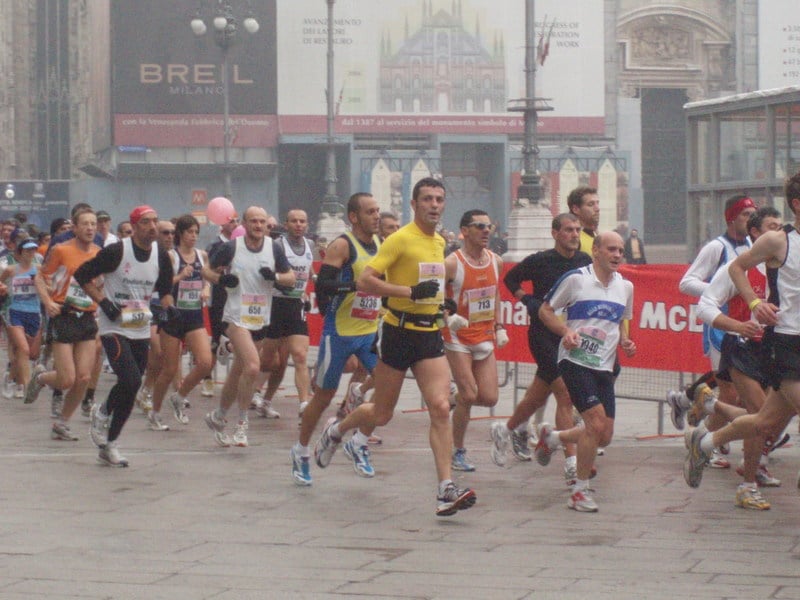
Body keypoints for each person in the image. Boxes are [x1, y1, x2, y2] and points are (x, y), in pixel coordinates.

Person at [314, 177, 477, 517]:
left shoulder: (439, 244)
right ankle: (338, 430)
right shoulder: (400, 239)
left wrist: (442, 306)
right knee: (382, 414)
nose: (434, 205)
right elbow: (364, 280)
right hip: (397, 332)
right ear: (414, 205)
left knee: (441, 406)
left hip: (428, 334)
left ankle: (445, 488)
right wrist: (406, 293)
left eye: (439, 199)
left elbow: (430, 284)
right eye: (428, 199)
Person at [684, 172, 800, 498]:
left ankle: (705, 441)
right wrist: (752, 304)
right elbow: (723, 283)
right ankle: (748, 483)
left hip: (782, 343)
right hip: (775, 344)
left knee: (765, 422)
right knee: (760, 416)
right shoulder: (778, 242)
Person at [534, 232, 636, 512]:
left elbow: (622, 320)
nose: (617, 255)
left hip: (605, 366)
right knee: (594, 424)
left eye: (621, 250)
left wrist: (625, 341)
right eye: (612, 250)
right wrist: (566, 331)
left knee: (605, 435)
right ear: (596, 251)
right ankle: (579, 491)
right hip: (575, 361)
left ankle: (553, 438)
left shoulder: (625, 287)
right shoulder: (576, 279)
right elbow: (545, 310)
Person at [490, 213, 592, 485]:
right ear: (555, 233)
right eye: (569, 230)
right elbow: (511, 280)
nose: (574, 235)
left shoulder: (585, 262)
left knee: (537, 396)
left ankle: (506, 428)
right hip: (543, 335)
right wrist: (528, 300)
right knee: (565, 394)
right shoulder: (540, 260)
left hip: (570, 336)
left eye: (577, 230)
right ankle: (571, 462)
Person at [290, 193, 381, 485]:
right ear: (354, 217)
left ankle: (358, 441)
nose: (376, 216)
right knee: (324, 397)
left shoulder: (380, 245)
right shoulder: (343, 245)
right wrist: (356, 285)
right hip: (339, 334)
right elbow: (324, 286)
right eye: (370, 212)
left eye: (378, 211)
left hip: (368, 334)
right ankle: (302, 450)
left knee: (386, 386)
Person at [75, 205, 175, 467]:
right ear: (135, 226)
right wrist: (102, 301)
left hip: (140, 326)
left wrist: (169, 309)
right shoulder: (117, 251)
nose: (152, 227)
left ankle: (109, 439)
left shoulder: (161, 255)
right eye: (146, 222)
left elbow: (165, 291)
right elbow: (82, 275)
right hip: (114, 327)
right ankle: (107, 422)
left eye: (155, 221)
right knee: (130, 380)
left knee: (131, 387)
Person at [676, 194, 757, 468]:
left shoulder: (753, 245)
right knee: (730, 394)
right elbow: (686, 283)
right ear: (731, 217)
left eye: (752, 215)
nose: (750, 220)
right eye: (746, 215)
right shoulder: (716, 247)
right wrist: (719, 292)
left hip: (746, 329)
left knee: (741, 395)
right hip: (720, 327)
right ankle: (710, 443)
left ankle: (708, 437)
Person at [205, 206, 294, 448]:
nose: (257, 225)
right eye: (253, 221)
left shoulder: (274, 248)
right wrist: (221, 279)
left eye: (262, 222)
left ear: (267, 225)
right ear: (244, 223)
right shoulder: (232, 247)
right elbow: (206, 270)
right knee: (253, 367)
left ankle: (218, 416)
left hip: (260, 319)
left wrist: (275, 277)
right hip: (235, 317)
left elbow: (291, 278)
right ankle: (242, 424)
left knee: (237, 373)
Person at [443, 209, 506, 472]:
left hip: (484, 335)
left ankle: (452, 398)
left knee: (490, 398)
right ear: (464, 230)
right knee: (470, 394)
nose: (485, 231)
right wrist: (448, 317)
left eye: (488, 226)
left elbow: (495, 295)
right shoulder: (452, 263)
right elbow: (434, 295)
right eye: (479, 226)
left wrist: (499, 325)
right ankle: (457, 450)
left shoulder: (496, 260)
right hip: (457, 336)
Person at [29, 208, 100, 440]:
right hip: (64, 315)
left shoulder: (100, 254)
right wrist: (48, 301)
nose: (90, 228)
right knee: (67, 378)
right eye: (85, 224)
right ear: (75, 228)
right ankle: (40, 378)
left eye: (93, 224)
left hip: (87, 317)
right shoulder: (61, 250)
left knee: (83, 378)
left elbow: (103, 283)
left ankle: (61, 423)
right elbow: (40, 277)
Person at [147, 215, 215, 431]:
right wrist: (180, 276)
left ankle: (179, 396)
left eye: (196, 232)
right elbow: (159, 285)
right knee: (168, 369)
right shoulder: (171, 257)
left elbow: (208, 279)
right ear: (180, 235)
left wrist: (205, 289)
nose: (193, 236)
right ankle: (155, 412)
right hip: (173, 315)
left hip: (194, 315)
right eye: (189, 232)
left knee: (205, 362)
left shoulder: (202, 256)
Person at [253, 209, 314, 418]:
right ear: (286, 224)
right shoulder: (277, 245)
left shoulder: (310, 245)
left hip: (295, 305)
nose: (298, 224)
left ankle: (305, 403)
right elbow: (265, 272)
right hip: (276, 304)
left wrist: (309, 287)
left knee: (299, 355)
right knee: (271, 360)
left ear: (307, 225)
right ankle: (253, 389)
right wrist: (277, 277)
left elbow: (307, 272)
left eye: (302, 221)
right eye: (294, 221)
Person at [201, 213, 240, 398]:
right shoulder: (216, 245)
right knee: (217, 340)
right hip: (219, 298)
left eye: (237, 221)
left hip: (238, 298)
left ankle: (238, 379)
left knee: (240, 338)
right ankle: (207, 378)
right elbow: (207, 270)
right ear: (222, 224)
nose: (235, 224)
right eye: (231, 221)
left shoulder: (241, 244)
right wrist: (218, 270)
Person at [1, 236, 43, 396]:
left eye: (33, 250)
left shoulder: (39, 269)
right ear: (20, 253)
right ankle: (27, 387)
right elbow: (1, 282)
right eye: (27, 250)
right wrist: (3, 289)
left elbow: (48, 287)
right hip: (15, 311)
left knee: (31, 353)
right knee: (23, 349)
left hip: (34, 312)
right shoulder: (11, 269)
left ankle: (11, 378)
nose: (31, 253)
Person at [567, 186, 600, 254]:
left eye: (597, 203)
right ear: (576, 209)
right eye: (591, 204)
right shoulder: (574, 239)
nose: (597, 209)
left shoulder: (597, 236)